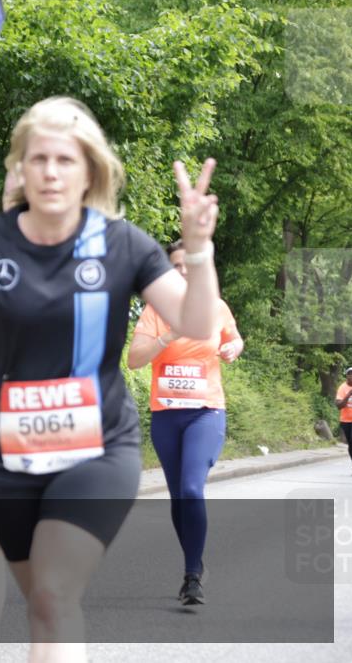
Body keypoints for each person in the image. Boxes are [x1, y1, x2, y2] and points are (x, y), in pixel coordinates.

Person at [0, 96, 221, 663]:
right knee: (45, 603)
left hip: (96, 446)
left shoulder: (122, 242)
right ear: (20, 168)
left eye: (66, 159)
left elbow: (198, 322)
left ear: (90, 171)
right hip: (5, 451)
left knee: (54, 595)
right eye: (39, 159)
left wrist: (198, 251)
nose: (52, 171)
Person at [127, 239, 244, 605]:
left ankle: (192, 576)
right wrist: (169, 335)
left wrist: (233, 348)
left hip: (205, 412)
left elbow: (235, 338)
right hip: (166, 415)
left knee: (192, 489)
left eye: (188, 266)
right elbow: (134, 360)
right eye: (175, 266)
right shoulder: (156, 310)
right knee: (178, 495)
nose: (182, 272)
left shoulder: (216, 307)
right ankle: (194, 563)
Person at [337, 367, 352, 472]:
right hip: (345, 420)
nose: (351, 376)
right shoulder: (342, 388)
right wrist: (348, 395)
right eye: (349, 374)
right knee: (351, 444)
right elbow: (339, 406)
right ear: (346, 376)